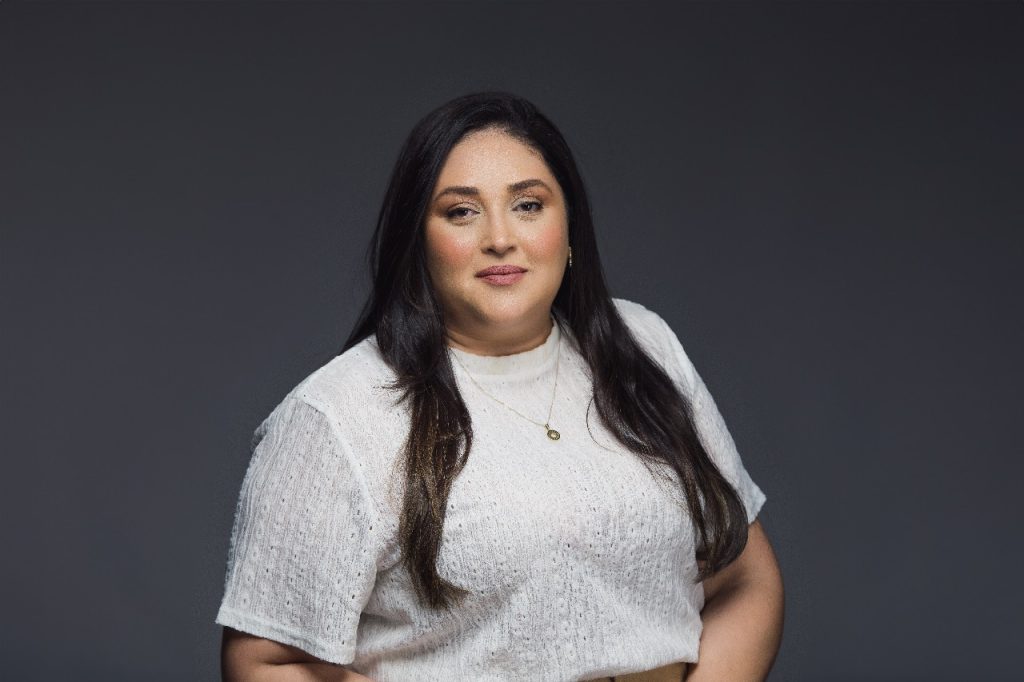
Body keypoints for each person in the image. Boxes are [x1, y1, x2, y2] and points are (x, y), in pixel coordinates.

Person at [215, 91, 784, 682]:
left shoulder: (645, 346)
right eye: (462, 212)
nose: (500, 238)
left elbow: (744, 580)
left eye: (528, 205)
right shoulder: (336, 416)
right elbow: (266, 662)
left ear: (569, 228)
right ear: (418, 240)